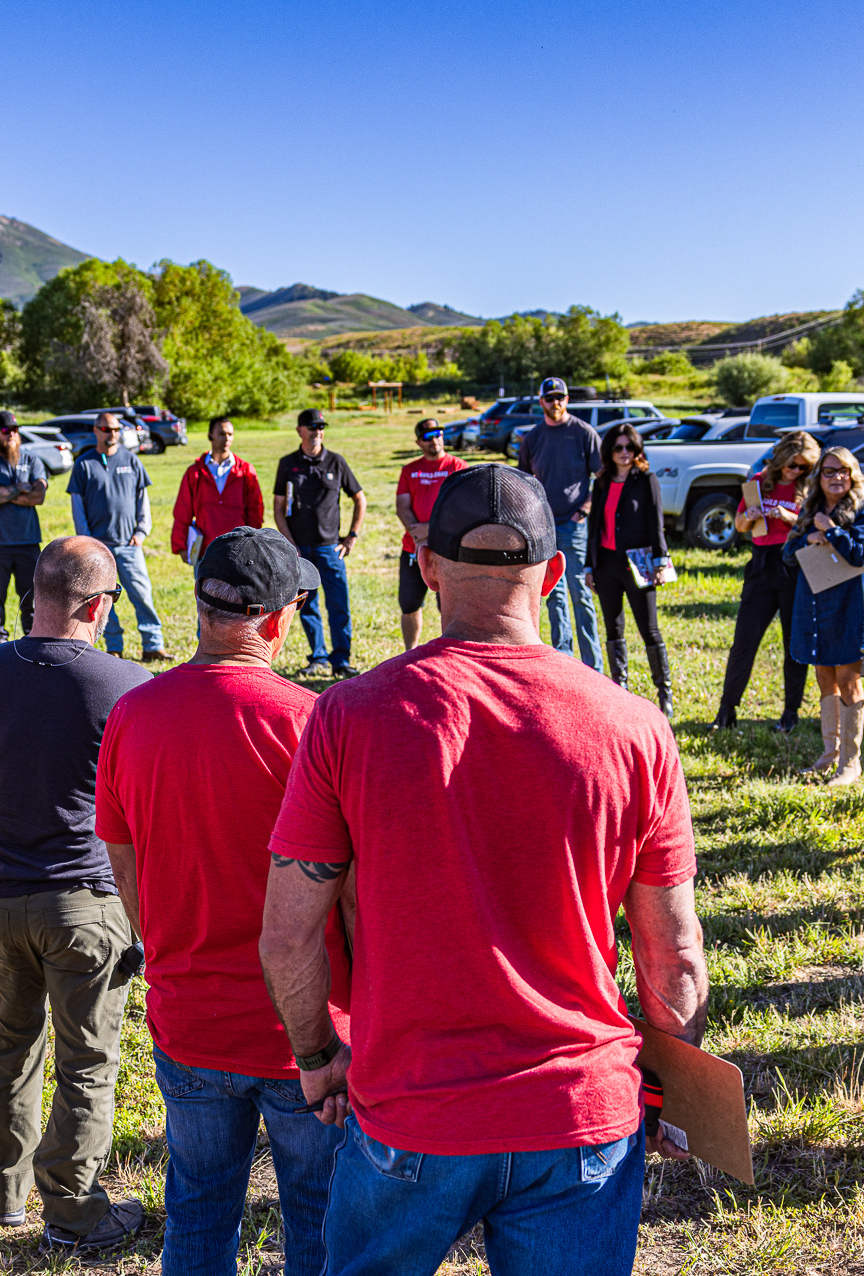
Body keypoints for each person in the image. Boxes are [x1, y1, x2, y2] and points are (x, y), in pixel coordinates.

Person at [258, 464, 709, 1276]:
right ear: (556, 573)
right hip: (579, 1115)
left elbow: (288, 938)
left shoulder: (349, 715)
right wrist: (680, 1085)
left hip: (410, 1110)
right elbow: (672, 954)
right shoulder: (637, 728)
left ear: (426, 564)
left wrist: (319, 1056)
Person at [94, 527, 345, 1276]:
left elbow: (124, 862)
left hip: (189, 1018)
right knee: (317, 1218)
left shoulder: (135, 714)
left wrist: (167, 951)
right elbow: (351, 888)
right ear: (276, 619)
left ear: (201, 607)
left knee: (198, 1213)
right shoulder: (310, 721)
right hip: (302, 1029)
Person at [0, 536, 151, 1251]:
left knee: (7, 1048)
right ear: (97, 605)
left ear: (33, 592)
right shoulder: (126, 683)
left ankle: (3, 1188)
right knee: (87, 1062)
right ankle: (72, 1211)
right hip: (85, 899)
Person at [785, 447, 864, 787]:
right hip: (815, 603)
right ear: (819, 476)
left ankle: (850, 763)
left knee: (848, 678)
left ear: (853, 474)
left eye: (844, 470)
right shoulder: (810, 509)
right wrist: (808, 537)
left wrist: (832, 531)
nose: (837, 477)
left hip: (851, 604)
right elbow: (787, 553)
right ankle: (829, 755)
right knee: (824, 676)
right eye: (829, 471)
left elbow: (861, 554)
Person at [714, 430, 819, 733]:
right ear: (781, 460)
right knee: (744, 641)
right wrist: (750, 514)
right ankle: (726, 710)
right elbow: (741, 525)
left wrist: (787, 516)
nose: (796, 471)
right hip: (761, 563)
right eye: (792, 465)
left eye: (803, 467)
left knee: (793, 644)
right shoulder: (759, 481)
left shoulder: (810, 488)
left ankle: (790, 713)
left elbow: (812, 525)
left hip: (795, 563)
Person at [515, 377, 605, 670]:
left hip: (574, 524)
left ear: (567, 400)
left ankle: (593, 667)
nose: (556, 403)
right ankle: (564, 662)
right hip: (543, 528)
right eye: (550, 398)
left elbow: (602, 477)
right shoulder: (533, 438)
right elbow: (523, 481)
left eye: (561, 397)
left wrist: (585, 509)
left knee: (580, 595)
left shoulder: (583, 433)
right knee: (553, 597)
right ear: (541, 402)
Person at [583, 423, 673, 716]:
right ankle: (618, 688)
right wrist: (589, 565)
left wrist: (661, 560)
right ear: (609, 451)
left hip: (638, 564)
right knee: (613, 629)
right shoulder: (602, 481)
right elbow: (594, 526)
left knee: (649, 629)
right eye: (619, 447)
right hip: (606, 565)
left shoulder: (646, 480)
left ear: (637, 451)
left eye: (630, 448)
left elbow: (655, 523)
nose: (624, 453)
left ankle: (665, 692)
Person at [273, 409, 365, 678]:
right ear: (300, 430)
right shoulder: (288, 463)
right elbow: (279, 506)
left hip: (329, 548)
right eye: (312, 426)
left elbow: (360, 499)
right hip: (301, 550)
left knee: (339, 604)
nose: (317, 431)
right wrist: (289, 543)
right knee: (307, 606)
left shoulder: (335, 462)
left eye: (321, 426)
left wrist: (352, 536)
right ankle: (318, 657)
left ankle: (341, 659)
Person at [69, 412, 168, 662]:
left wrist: (141, 531)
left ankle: (153, 645)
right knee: (103, 603)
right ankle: (114, 647)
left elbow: (141, 498)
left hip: (128, 545)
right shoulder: (84, 464)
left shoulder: (131, 460)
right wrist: (88, 540)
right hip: (99, 549)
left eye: (115, 430)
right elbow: (77, 505)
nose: (111, 434)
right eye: (106, 429)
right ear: (96, 431)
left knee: (142, 595)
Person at [0, 410, 49, 646]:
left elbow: (39, 496)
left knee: (32, 598)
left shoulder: (32, 461)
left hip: (28, 543)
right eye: (7, 430)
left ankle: (31, 642)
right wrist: (21, 488)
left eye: (16, 430)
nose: (12, 435)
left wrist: (6, 493)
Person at [393, 419, 466, 649]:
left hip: (447, 550)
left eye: (437, 433)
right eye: (427, 436)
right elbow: (402, 506)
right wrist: (418, 534)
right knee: (409, 603)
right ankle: (410, 653)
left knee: (449, 606)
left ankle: (451, 652)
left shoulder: (458, 467)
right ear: (418, 442)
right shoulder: (410, 470)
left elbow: (463, 507)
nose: (434, 439)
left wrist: (431, 529)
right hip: (413, 549)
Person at [171, 416, 264, 564]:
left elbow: (255, 510)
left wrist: (252, 542)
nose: (227, 438)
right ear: (210, 436)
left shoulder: (245, 471)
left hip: (238, 549)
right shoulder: (195, 473)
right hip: (206, 551)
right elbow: (183, 511)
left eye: (230, 434)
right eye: (221, 433)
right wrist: (181, 545)